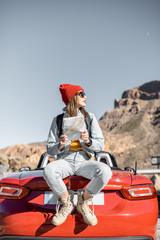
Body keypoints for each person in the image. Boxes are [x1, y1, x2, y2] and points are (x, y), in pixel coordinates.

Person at [43, 84, 112, 226]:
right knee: (48, 170)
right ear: (73, 97)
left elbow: (100, 145)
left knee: (105, 171)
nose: (85, 97)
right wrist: (60, 144)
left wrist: (88, 141)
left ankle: (83, 201)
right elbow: (50, 149)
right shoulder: (57, 120)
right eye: (82, 94)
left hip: (85, 162)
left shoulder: (90, 118)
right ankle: (66, 202)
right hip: (65, 161)